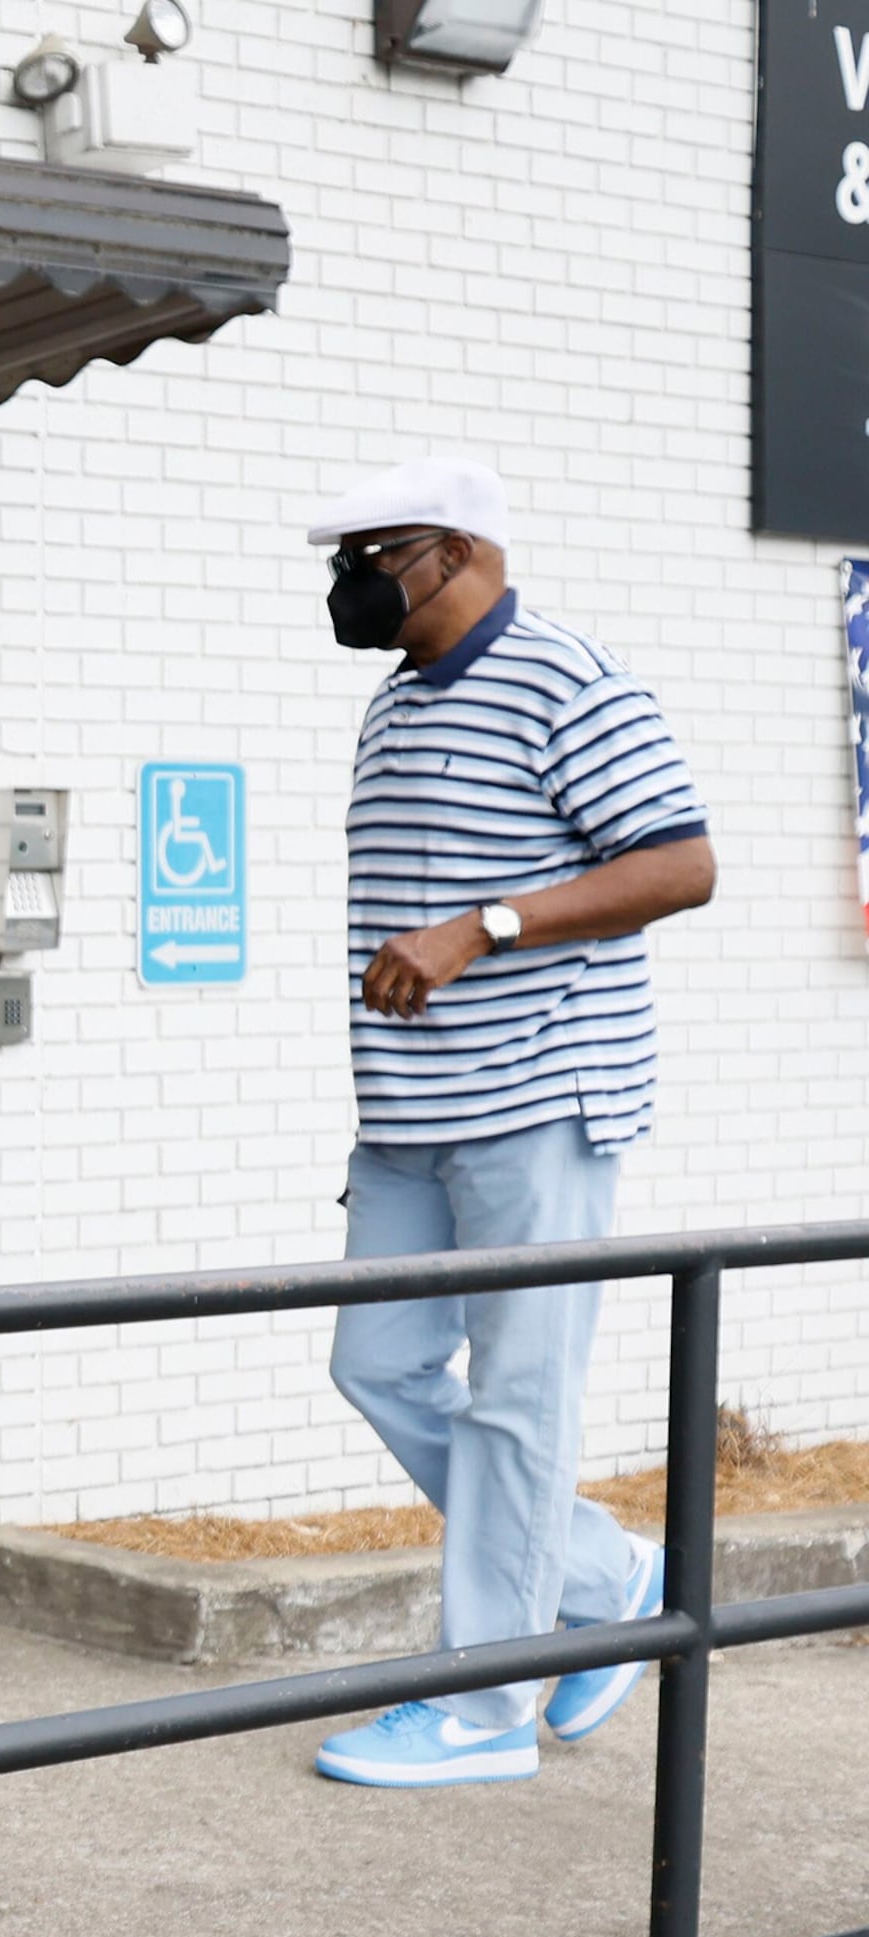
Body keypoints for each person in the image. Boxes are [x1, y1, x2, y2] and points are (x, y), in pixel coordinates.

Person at [301, 459, 718, 1788]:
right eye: (344, 555)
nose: (352, 576)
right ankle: (603, 1581)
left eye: (379, 550)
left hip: (541, 1098)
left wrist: (484, 930)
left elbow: (681, 863)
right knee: (377, 1366)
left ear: (460, 548)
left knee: (518, 1403)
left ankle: (484, 1711)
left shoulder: (565, 678)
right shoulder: (393, 705)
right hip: (410, 1116)